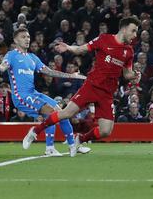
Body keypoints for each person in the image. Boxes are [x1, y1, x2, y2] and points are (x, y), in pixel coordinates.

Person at [23, 16, 142, 154]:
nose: (134, 35)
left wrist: (134, 75)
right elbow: (81, 49)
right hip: (91, 86)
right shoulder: (104, 39)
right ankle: (35, 131)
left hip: (107, 93)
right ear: (124, 28)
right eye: (133, 31)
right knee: (66, 113)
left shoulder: (129, 51)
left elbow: (127, 74)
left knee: (105, 131)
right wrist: (68, 47)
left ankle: (80, 138)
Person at [0, 27, 89, 156]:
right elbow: (3, 67)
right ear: (15, 40)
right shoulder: (11, 55)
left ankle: (72, 145)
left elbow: (50, 72)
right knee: (51, 112)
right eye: (23, 37)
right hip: (21, 96)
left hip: (33, 93)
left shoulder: (32, 58)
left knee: (62, 112)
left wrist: (71, 76)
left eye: (28, 37)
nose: (27, 39)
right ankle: (49, 147)